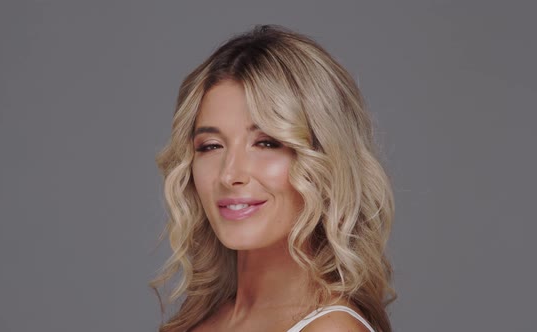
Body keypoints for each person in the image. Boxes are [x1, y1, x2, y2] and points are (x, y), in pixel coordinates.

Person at [151, 25, 395, 332]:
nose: (230, 174)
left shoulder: (331, 329)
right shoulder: (201, 318)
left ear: (323, 159)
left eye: (266, 143)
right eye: (211, 146)